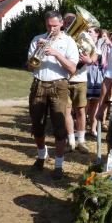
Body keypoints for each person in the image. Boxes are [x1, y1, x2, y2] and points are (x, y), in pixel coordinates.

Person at [27, 11, 79, 179]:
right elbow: (30, 66)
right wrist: (38, 50)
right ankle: (41, 156)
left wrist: (56, 53)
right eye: (49, 25)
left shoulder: (69, 41)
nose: (51, 29)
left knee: (59, 126)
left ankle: (58, 165)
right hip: (38, 84)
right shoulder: (37, 39)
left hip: (59, 85)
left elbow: (72, 69)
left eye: (55, 25)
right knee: (37, 124)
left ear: (62, 23)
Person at [62, 12, 100, 154]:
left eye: (72, 21)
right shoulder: (61, 36)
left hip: (80, 79)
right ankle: (71, 141)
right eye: (67, 22)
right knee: (66, 111)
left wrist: (90, 61)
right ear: (62, 22)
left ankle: (81, 140)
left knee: (80, 110)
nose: (69, 24)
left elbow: (95, 53)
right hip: (64, 78)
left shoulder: (85, 36)